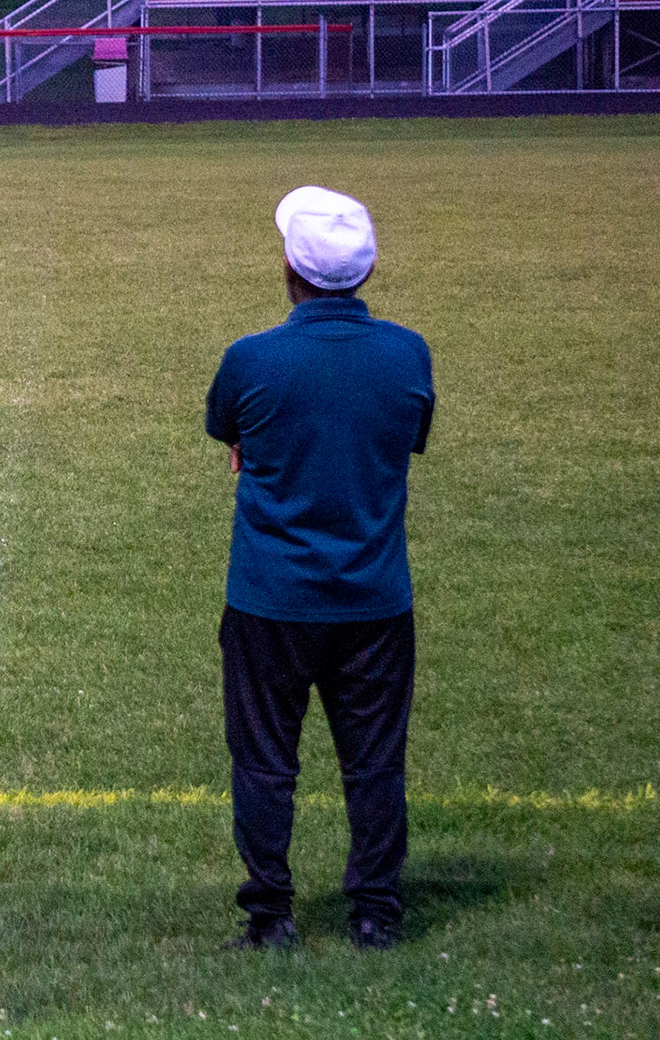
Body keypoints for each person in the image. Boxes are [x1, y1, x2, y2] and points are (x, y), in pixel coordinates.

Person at [205, 185, 435, 952]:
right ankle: (375, 914)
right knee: (375, 764)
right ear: (365, 271)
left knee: (264, 763)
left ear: (290, 268)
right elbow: (403, 438)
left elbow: (230, 430)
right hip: (374, 597)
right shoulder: (408, 354)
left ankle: (270, 916)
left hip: (270, 599)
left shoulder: (251, 359)